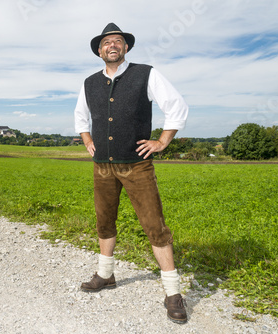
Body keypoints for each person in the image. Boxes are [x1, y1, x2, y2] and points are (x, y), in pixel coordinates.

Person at [74, 23, 189, 324]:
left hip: (136, 165)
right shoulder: (88, 83)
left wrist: (163, 140)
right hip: (102, 166)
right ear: (99, 51)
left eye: (118, 41)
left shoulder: (146, 74)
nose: (112, 45)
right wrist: (87, 141)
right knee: (104, 220)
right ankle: (105, 274)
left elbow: (176, 106)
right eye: (106, 43)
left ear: (125, 48)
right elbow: (80, 117)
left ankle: (173, 292)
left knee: (154, 224)